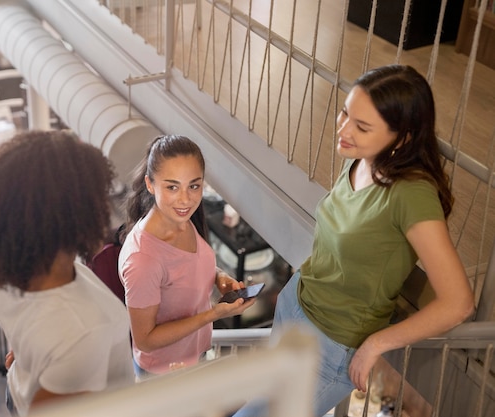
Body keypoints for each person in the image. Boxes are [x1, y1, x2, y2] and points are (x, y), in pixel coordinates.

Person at [234, 64, 475, 417]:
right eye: (345, 113)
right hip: (297, 305)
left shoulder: (411, 194)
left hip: (330, 344)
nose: (344, 130)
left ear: (403, 137)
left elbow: (459, 303)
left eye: (362, 126)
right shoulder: (363, 158)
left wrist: (376, 343)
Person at [0, 130, 135, 416]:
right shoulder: (86, 327)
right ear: (81, 212)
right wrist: (33, 332)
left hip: (18, 391)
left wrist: (27, 330)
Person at [118, 134, 255, 378]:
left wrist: (218, 277)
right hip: (163, 374)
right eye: (172, 187)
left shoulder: (181, 221)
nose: (185, 199)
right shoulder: (142, 260)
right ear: (150, 184)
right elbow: (145, 340)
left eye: (194, 185)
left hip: (194, 355)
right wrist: (214, 314)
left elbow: (184, 266)